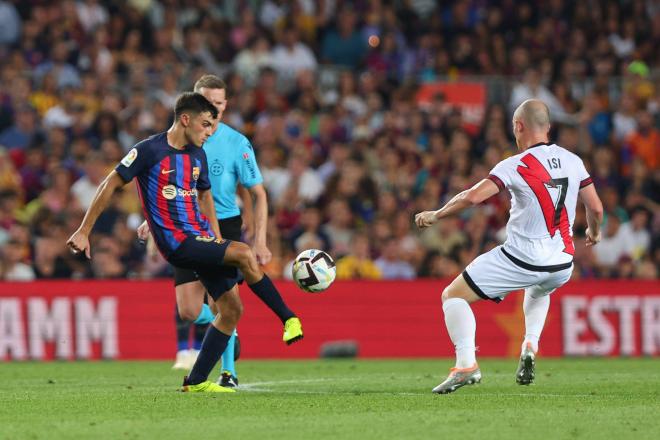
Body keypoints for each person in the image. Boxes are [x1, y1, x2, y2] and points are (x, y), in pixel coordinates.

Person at [67, 92, 298, 393]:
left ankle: (198, 381)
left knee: (231, 309)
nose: (209, 133)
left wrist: (215, 236)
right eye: (205, 125)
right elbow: (111, 182)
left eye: (212, 127)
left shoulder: (197, 155)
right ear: (185, 120)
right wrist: (85, 230)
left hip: (200, 237)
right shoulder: (149, 150)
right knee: (243, 253)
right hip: (177, 242)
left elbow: (204, 198)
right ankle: (289, 318)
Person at [415, 99, 603, 394]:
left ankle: (466, 365)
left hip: (522, 258)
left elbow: (473, 197)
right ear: (548, 127)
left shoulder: (515, 165)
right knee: (540, 288)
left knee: (452, 296)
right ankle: (530, 343)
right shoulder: (573, 160)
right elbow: (596, 206)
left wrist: (436, 214)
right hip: (562, 263)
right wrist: (594, 230)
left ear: (518, 126)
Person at [139, 74, 302, 388]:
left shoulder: (236, 142)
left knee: (223, 304)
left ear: (225, 106)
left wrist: (261, 238)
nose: (211, 109)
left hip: (223, 225)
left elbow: (258, 193)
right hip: (182, 226)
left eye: (218, 103)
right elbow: (166, 185)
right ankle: (229, 332)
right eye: (206, 102)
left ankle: (228, 373)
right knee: (188, 310)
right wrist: (153, 218)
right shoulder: (178, 140)